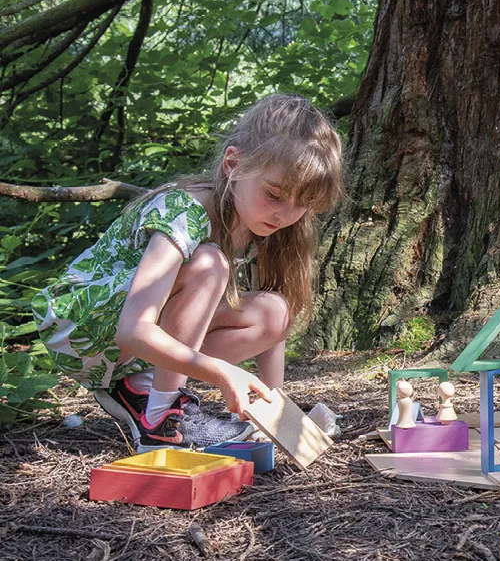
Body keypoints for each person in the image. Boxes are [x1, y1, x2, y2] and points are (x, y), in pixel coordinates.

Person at [32, 94, 344, 452]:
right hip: (80, 328)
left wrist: (274, 414)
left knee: (275, 311)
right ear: (232, 165)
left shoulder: (260, 220)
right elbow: (133, 331)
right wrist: (219, 371)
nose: (284, 215)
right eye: (274, 194)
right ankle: (159, 421)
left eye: (301, 204)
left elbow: (271, 336)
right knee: (210, 264)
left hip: (126, 340)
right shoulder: (184, 211)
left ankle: (140, 388)